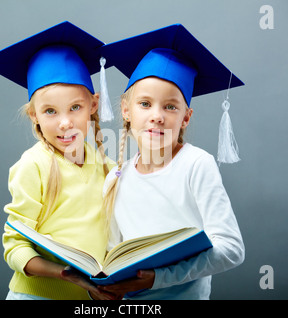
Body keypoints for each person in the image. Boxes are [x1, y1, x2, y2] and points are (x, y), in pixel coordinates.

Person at [100, 24, 245, 300]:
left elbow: (231, 249)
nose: (157, 116)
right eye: (145, 104)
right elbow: (114, 254)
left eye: (170, 106)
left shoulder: (196, 165)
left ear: (186, 117)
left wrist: (159, 278)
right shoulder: (117, 178)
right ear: (125, 109)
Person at [0, 21, 116, 300]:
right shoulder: (34, 166)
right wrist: (63, 273)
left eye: (75, 107)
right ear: (34, 116)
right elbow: (15, 247)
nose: (65, 123)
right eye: (50, 111)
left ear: (93, 105)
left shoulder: (108, 167)